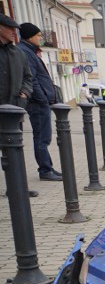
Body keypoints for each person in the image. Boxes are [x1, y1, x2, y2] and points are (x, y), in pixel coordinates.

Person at [18, 22, 62, 181]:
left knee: (44, 136)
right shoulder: (25, 52)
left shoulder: (29, 51)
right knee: (42, 137)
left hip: (40, 101)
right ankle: (45, 169)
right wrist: (43, 97)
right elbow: (31, 78)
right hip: (37, 103)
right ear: (30, 36)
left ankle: (48, 167)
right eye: (38, 35)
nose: (40, 37)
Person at [0, 14, 37, 197]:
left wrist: (24, 94)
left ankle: (17, 186)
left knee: (15, 149)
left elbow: (28, 77)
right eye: (11, 29)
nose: (15, 33)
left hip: (14, 109)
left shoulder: (18, 53)